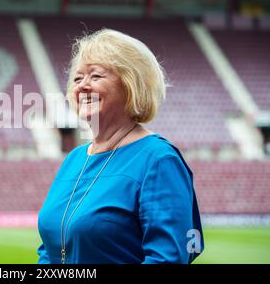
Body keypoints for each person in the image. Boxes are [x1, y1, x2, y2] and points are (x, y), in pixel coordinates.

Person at [37, 29, 204, 264]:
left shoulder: (158, 160)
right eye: (77, 78)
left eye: (95, 76)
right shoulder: (73, 160)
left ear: (131, 84)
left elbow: (167, 259)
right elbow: (50, 250)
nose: (82, 85)